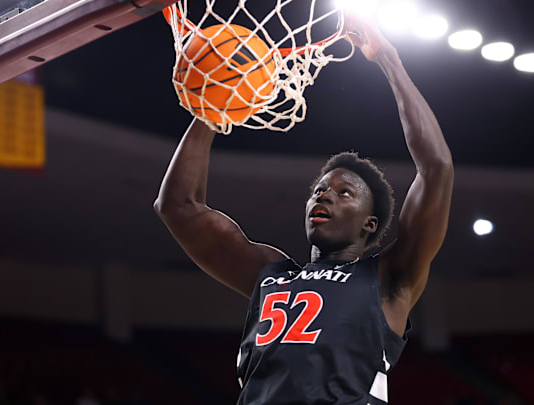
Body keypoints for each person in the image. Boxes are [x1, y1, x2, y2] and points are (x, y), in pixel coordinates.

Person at [154, 14, 454, 405]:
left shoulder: (389, 279)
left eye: (344, 193)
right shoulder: (271, 272)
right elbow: (177, 206)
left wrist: (388, 58)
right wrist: (217, 103)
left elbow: (436, 169)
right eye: (319, 190)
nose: (323, 196)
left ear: (370, 223)